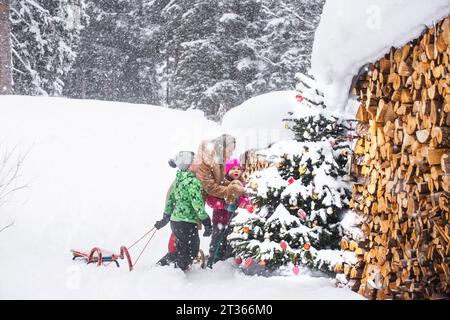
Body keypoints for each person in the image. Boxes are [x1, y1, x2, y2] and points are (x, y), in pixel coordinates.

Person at [154, 151, 212, 271]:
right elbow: (197, 204)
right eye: (196, 161)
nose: (199, 162)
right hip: (187, 222)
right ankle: (176, 270)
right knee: (192, 250)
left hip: (176, 222)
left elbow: (171, 199)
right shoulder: (193, 182)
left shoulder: (179, 180)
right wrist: (206, 221)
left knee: (182, 249)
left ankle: (164, 266)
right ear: (189, 166)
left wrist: (166, 217)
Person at [205, 158, 250, 267]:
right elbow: (210, 200)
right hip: (220, 220)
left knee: (231, 243)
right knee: (217, 242)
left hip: (235, 222)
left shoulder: (242, 185)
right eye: (233, 168)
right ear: (227, 170)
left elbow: (247, 198)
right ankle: (213, 262)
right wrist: (223, 205)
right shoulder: (222, 184)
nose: (236, 171)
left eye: (238, 169)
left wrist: (242, 203)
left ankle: (227, 265)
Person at [195, 134, 245, 204]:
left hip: (197, 201)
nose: (231, 155)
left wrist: (234, 185)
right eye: (230, 151)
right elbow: (210, 187)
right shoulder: (205, 159)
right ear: (221, 147)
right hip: (187, 200)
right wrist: (231, 191)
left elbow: (220, 181)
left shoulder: (220, 159)